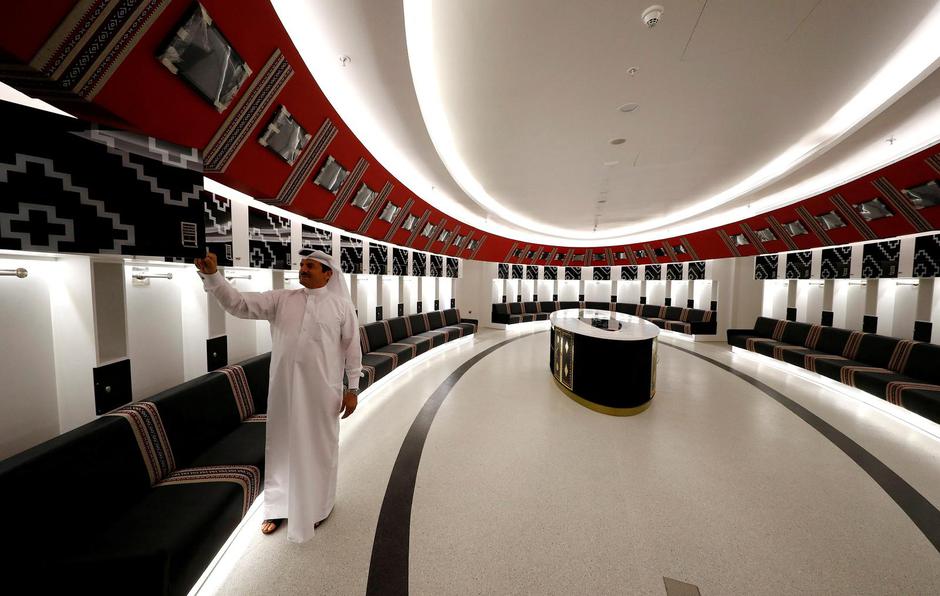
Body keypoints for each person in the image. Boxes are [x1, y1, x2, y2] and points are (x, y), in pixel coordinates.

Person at [194, 249, 362, 543]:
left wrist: (353, 388)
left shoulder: (341, 307)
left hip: (323, 393)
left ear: (328, 274)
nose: (304, 269)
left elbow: (352, 349)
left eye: (311, 265)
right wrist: (213, 275)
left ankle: (319, 506)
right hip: (284, 390)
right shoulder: (282, 299)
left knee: (320, 449)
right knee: (281, 445)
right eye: (302, 265)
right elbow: (239, 304)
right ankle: (277, 506)